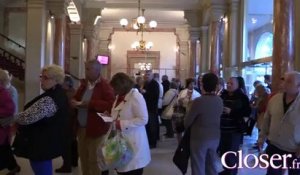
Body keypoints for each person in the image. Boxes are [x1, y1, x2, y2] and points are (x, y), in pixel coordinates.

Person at [0, 65, 69, 175]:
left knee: (41, 168)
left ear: (56, 80)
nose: (41, 80)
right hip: (46, 139)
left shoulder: (51, 98)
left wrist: (13, 118)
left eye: (46, 78)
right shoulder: (56, 93)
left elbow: (29, 117)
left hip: (43, 142)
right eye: (42, 76)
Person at [72, 59, 115, 175]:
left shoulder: (105, 86)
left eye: (88, 69)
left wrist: (90, 104)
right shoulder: (84, 85)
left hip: (96, 129)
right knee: (84, 158)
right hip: (82, 128)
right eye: (85, 69)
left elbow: (110, 105)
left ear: (97, 70)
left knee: (94, 160)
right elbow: (76, 98)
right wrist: (73, 101)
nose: (85, 72)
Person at [258, 71, 300, 175]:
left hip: (294, 150)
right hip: (275, 146)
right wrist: (261, 138)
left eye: (289, 82)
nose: (284, 84)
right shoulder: (275, 99)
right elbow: (267, 119)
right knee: (272, 172)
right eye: (284, 80)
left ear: (298, 86)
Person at [110, 72, 151, 175]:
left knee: (131, 170)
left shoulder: (136, 96)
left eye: (115, 87)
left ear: (122, 86)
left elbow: (143, 119)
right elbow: (120, 112)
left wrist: (122, 124)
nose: (113, 90)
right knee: (121, 169)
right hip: (120, 142)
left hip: (133, 142)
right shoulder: (119, 96)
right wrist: (110, 116)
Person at [184, 73, 223, 175]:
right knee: (212, 165)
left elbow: (187, 122)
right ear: (216, 85)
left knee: (198, 165)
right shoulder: (219, 100)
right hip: (215, 137)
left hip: (199, 138)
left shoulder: (198, 101)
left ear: (202, 85)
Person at [219, 77, 251, 175]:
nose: (228, 85)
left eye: (231, 83)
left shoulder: (242, 97)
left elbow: (247, 113)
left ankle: (231, 172)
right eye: (227, 83)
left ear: (238, 85)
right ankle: (226, 170)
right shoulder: (223, 95)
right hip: (222, 129)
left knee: (231, 153)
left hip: (234, 130)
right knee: (223, 152)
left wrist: (232, 112)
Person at [55, 75, 79, 173]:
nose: (59, 84)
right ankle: (74, 161)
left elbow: (70, 109)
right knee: (72, 143)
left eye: (62, 82)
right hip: (72, 122)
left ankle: (67, 165)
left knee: (66, 144)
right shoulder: (74, 91)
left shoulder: (68, 94)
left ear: (67, 84)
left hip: (68, 122)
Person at [0, 69, 18, 175]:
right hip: (4, 123)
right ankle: (13, 166)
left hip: (6, 123)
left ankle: (12, 166)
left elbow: (11, 110)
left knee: (4, 147)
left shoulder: (10, 91)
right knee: (5, 147)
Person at [175, 78, 200, 142]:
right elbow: (178, 101)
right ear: (188, 84)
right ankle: (180, 143)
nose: (192, 85)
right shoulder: (183, 92)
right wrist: (181, 101)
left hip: (191, 112)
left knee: (189, 130)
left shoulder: (197, 93)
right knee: (179, 129)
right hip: (182, 112)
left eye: (193, 84)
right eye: (191, 84)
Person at [142, 70, 159, 149]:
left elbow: (155, 95)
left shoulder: (154, 84)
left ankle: (153, 143)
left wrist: (145, 92)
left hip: (152, 108)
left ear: (152, 76)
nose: (147, 76)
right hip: (146, 108)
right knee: (147, 126)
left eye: (149, 75)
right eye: (146, 74)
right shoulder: (145, 84)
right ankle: (149, 141)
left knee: (152, 126)